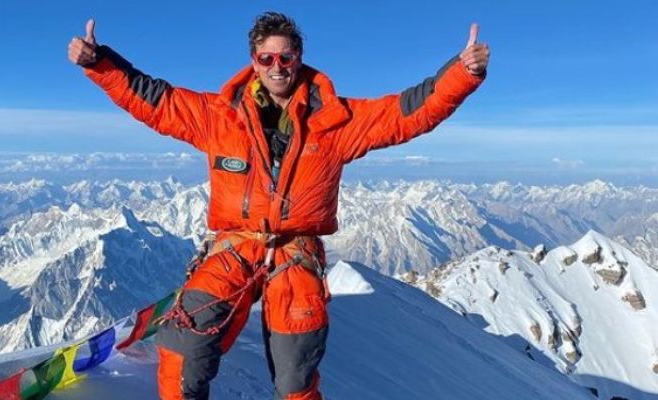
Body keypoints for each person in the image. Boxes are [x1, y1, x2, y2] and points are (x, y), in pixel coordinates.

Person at [68, 12, 489, 400]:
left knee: (295, 380)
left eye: (285, 56)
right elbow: (155, 99)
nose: (276, 66)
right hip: (235, 246)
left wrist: (462, 73)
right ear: (253, 60)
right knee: (182, 349)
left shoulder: (336, 121)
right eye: (266, 57)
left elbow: (405, 113)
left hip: (295, 254)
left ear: (298, 57)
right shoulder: (219, 115)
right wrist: (98, 63)